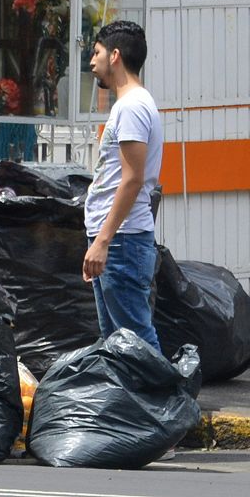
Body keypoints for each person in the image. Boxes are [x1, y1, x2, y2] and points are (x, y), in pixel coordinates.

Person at [82, 19, 164, 351]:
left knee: (135, 343)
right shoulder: (129, 105)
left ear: (115, 56)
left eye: (96, 52)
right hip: (118, 240)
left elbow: (132, 180)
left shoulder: (131, 107)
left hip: (122, 243)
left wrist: (103, 241)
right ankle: (136, 403)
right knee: (117, 345)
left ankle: (166, 402)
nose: (91, 62)